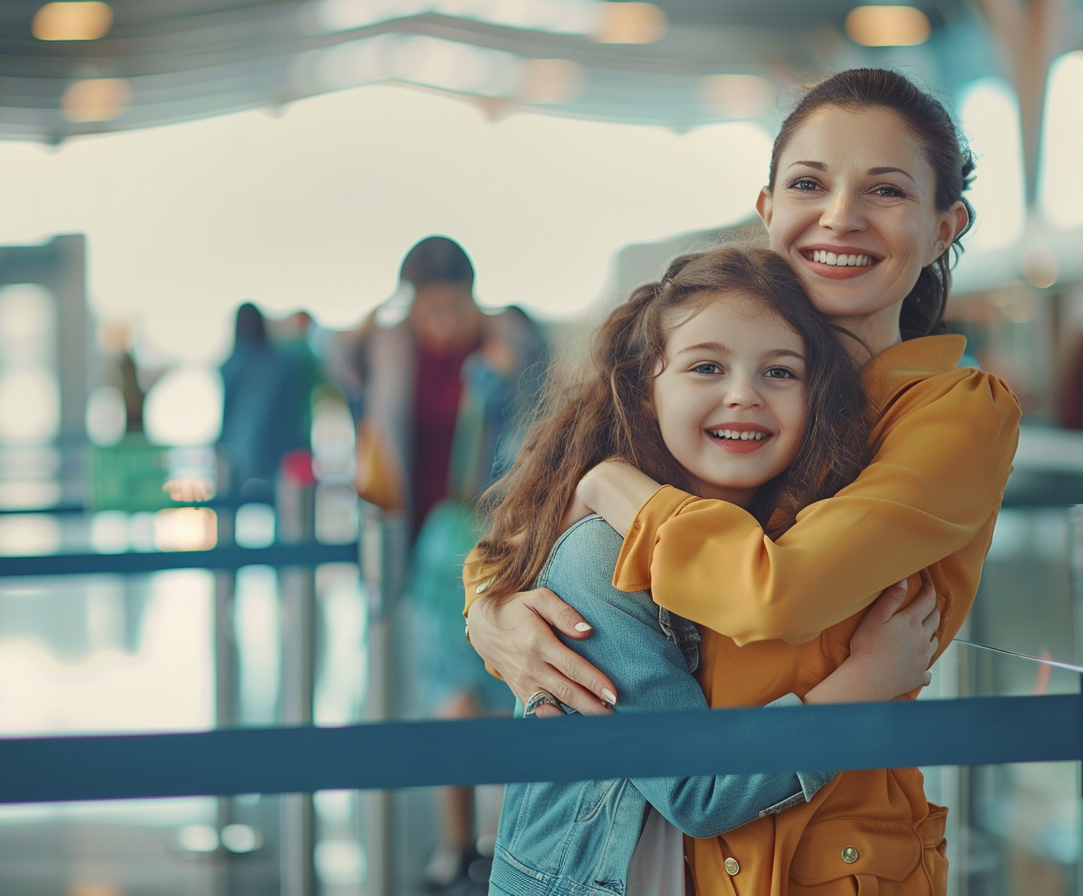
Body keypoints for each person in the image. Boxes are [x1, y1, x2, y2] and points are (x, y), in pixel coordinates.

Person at [464, 68, 1022, 894]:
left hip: (830, 863)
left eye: (886, 190)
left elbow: (775, 592)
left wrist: (614, 487)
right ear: (767, 209)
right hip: (677, 860)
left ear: (946, 226)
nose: (841, 216)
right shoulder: (747, 398)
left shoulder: (952, 412)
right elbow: (538, 543)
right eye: (809, 183)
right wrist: (492, 609)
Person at [477, 246, 943, 894]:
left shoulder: (790, 541)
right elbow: (699, 787)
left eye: (779, 372)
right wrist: (868, 680)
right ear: (645, 394)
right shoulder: (602, 557)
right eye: (706, 367)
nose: (743, 394)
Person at [326, 235, 547, 890]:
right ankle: (456, 845)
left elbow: (551, 413)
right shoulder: (393, 344)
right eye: (428, 306)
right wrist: (382, 312)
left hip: (503, 543)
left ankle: (504, 843)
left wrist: (505, 367)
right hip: (425, 546)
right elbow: (334, 358)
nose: (443, 321)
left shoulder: (510, 340)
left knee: (509, 687)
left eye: (454, 305)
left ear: (473, 295)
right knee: (447, 689)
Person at [219, 302, 310, 502]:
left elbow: (226, 417)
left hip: (244, 455)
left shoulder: (231, 366)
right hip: (277, 456)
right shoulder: (283, 365)